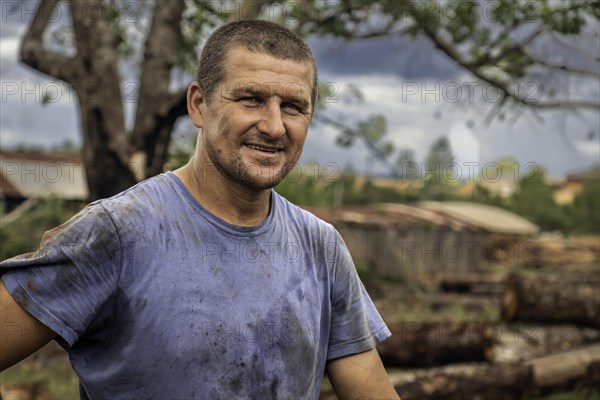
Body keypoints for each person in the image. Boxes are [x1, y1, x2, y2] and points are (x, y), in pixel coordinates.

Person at [0, 20, 399, 399]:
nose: (275, 126)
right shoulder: (118, 231)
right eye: (251, 99)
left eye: (293, 106)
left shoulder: (320, 247)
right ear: (199, 105)